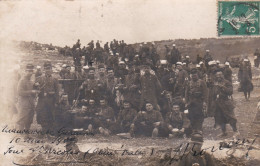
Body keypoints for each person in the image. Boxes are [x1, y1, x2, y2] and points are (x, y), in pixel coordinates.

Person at [35, 61, 59, 132]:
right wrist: (37, 89)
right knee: (42, 114)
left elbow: (57, 91)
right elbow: (35, 89)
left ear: (51, 69)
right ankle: (44, 130)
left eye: (49, 69)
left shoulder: (54, 79)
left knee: (51, 114)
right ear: (44, 69)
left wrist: (57, 101)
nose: (47, 70)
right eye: (46, 69)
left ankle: (50, 130)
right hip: (42, 100)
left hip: (51, 100)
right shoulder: (39, 78)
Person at [212, 71, 238, 137]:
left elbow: (230, 92)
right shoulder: (215, 83)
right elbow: (214, 93)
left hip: (226, 102)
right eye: (217, 75)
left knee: (231, 117)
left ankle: (235, 131)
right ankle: (224, 132)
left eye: (220, 75)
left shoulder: (227, 82)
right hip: (218, 103)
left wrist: (223, 87)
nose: (218, 76)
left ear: (222, 75)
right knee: (220, 118)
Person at [185, 68, 208, 133]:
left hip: (199, 101)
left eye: (195, 75)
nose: (194, 77)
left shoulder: (202, 82)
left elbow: (205, 93)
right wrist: (186, 102)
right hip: (191, 102)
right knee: (191, 115)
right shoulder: (189, 83)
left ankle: (199, 128)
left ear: (197, 75)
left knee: (200, 115)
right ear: (191, 76)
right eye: (192, 76)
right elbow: (186, 93)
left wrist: (205, 102)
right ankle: (194, 129)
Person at [16, 64, 38, 130]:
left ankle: (26, 134)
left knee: (29, 118)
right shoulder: (22, 80)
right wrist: (31, 91)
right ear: (25, 71)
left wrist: (36, 87)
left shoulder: (31, 80)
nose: (30, 73)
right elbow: (19, 92)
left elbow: (32, 89)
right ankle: (20, 134)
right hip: (24, 103)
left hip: (31, 102)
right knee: (22, 118)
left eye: (31, 71)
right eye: (28, 71)